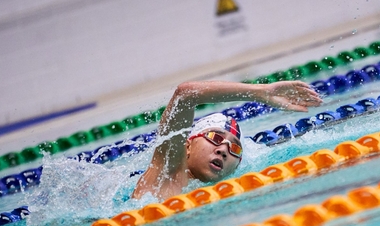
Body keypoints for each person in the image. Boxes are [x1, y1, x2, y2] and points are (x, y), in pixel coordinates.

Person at [132, 80, 322, 200]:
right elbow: (185, 94)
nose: (223, 150)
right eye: (215, 137)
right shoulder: (166, 174)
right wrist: (260, 92)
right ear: (187, 145)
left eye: (235, 148)